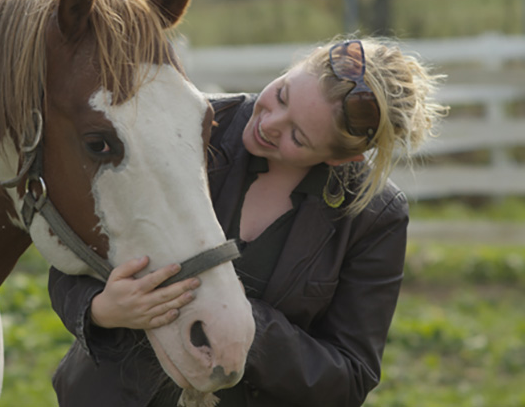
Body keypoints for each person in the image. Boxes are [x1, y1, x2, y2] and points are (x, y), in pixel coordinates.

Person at [48, 37, 449, 406]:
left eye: (299, 136)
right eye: (282, 95)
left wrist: (242, 324)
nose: (270, 123)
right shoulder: (184, 125)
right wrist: (99, 310)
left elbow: (349, 378)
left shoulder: (374, 216)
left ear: (339, 159)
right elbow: (70, 258)